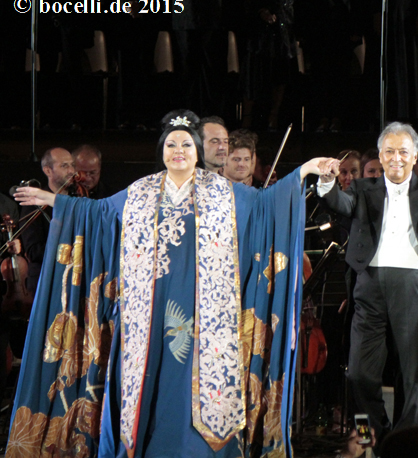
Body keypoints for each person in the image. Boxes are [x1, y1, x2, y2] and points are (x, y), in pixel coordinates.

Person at [7, 110, 330, 458]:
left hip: (208, 317)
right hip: (147, 316)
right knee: (149, 386)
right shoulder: (140, 191)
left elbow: (267, 204)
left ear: (197, 151)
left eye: (186, 144)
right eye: (171, 144)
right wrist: (54, 201)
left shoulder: (224, 192)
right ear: (162, 150)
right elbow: (97, 214)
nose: (179, 151)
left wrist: (304, 172)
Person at [316, 119, 418, 446]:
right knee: (357, 374)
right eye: (389, 151)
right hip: (369, 285)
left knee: (410, 377)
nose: (396, 158)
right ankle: (373, 440)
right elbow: (338, 203)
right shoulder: (362, 189)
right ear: (380, 155)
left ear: (415, 155)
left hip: (415, 286)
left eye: (403, 151)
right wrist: (326, 181)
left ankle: (403, 449)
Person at [21, 147, 76, 296]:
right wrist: (70, 249)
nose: (71, 171)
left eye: (72, 165)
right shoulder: (34, 204)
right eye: (64, 166)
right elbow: (33, 251)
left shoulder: (77, 202)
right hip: (46, 283)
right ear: (48, 171)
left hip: (74, 281)